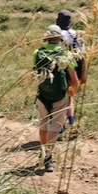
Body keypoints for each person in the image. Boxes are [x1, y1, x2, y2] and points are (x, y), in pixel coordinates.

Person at [34, 24, 79, 172]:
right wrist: (71, 93)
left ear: (47, 38)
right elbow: (74, 80)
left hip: (42, 95)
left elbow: (35, 74)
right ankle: (49, 157)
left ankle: (43, 152)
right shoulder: (65, 54)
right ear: (59, 39)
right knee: (54, 128)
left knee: (43, 125)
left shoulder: (37, 53)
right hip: (60, 97)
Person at [56, 9, 86, 127]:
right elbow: (83, 53)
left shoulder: (59, 34)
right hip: (77, 65)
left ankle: (61, 124)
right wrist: (83, 72)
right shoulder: (77, 34)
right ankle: (72, 122)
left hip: (65, 65)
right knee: (70, 95)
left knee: (61, 95)